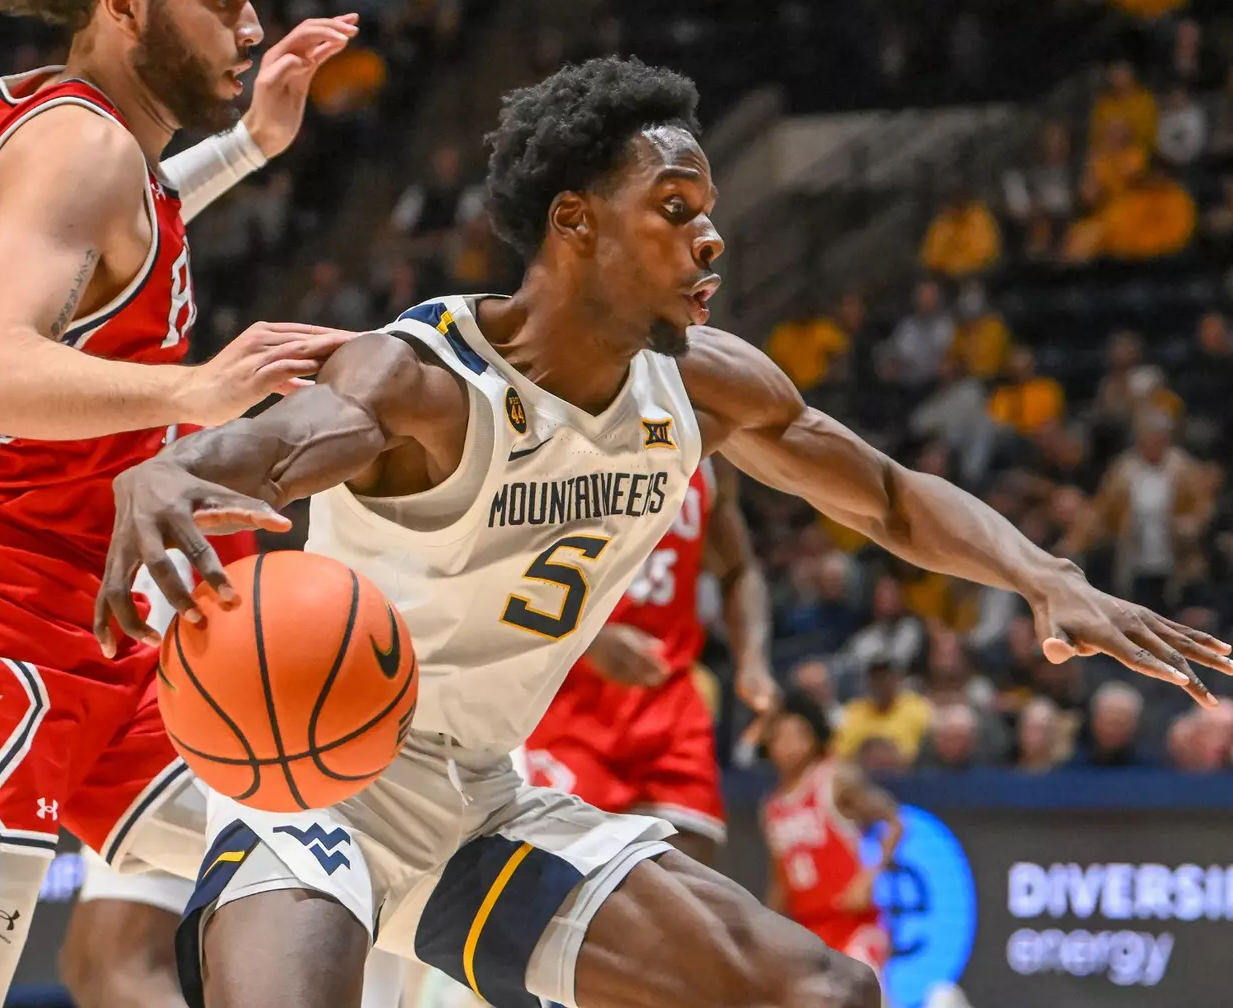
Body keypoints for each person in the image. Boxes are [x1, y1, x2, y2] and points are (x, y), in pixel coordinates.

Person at [98, 57, 1229, 1008]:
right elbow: (264, 448)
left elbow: (884, 494)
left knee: (822, 989)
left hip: (477, 803)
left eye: (710, 214)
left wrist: (1046, 575)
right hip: (311, 787)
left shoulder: (704, 387)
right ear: (574, 222)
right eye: (676, 210)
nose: (710, 240)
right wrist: (169, 471)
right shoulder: (423, 383)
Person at [0, 0, 360, 1005]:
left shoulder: (108, 151)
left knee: (323, 868)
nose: (252, 27)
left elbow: (135, 218)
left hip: (105, 625)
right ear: (123, 4)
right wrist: (195, 388)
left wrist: (253, 146)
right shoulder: (77, 146)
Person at [523, 455, 773, 864]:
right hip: (567, 700)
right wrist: (583, 637)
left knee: (689, 892)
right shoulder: (560, 436)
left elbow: (739, 570)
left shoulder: (707, 451)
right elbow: (493, 571)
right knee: (560, 889)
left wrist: (753, 659)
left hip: (668, 702)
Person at [762, 695, 901, 983]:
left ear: (813, 739)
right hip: (810, 930)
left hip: (853, 923)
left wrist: (869, 876)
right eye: (780, 737)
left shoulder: (833, 779)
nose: (788, 745)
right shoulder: (771, 808)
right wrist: (763, 922)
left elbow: (894, 821)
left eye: (796, 735)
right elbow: (782, 878)